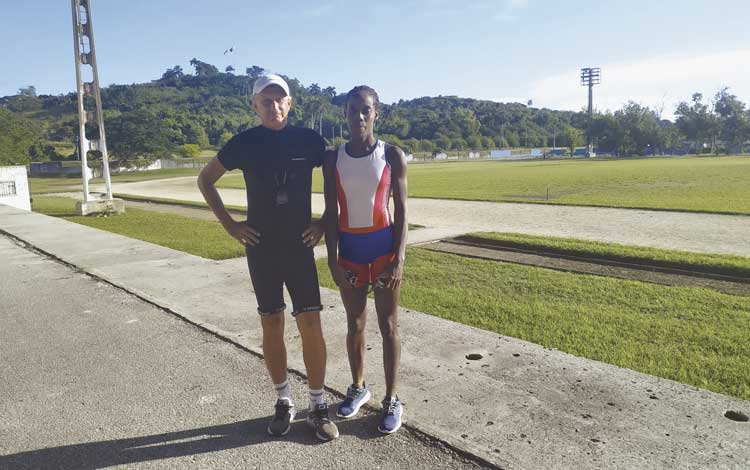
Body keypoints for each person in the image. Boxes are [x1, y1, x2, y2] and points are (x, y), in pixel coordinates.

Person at [197, 74, 338, 441]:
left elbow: (337, 179)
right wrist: (230, 225)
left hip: (299, 246)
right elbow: (205, 180)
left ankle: (318, 404)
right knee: (271, 324)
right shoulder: (244, 143)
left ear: (290, 103)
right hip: (262, 248)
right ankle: (283, 401)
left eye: (280, 100)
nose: (274, 106)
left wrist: (324, 221)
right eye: (266, 101)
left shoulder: (309, 140)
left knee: (311, 324)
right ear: (255, 106)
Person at [323, 85, 408, 434]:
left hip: (383, 250)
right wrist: (332, 261)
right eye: (353, 109)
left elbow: (401, 212)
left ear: (376, 114)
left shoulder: (392, 155)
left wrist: (398, 260)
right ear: (343, 113)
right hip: (351, 253)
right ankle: (359, 387)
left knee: (388, 326)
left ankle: (392, 398)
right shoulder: (333, 158)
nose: (359, 116)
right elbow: (330, 213)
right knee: (354, 325)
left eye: (366, 110)